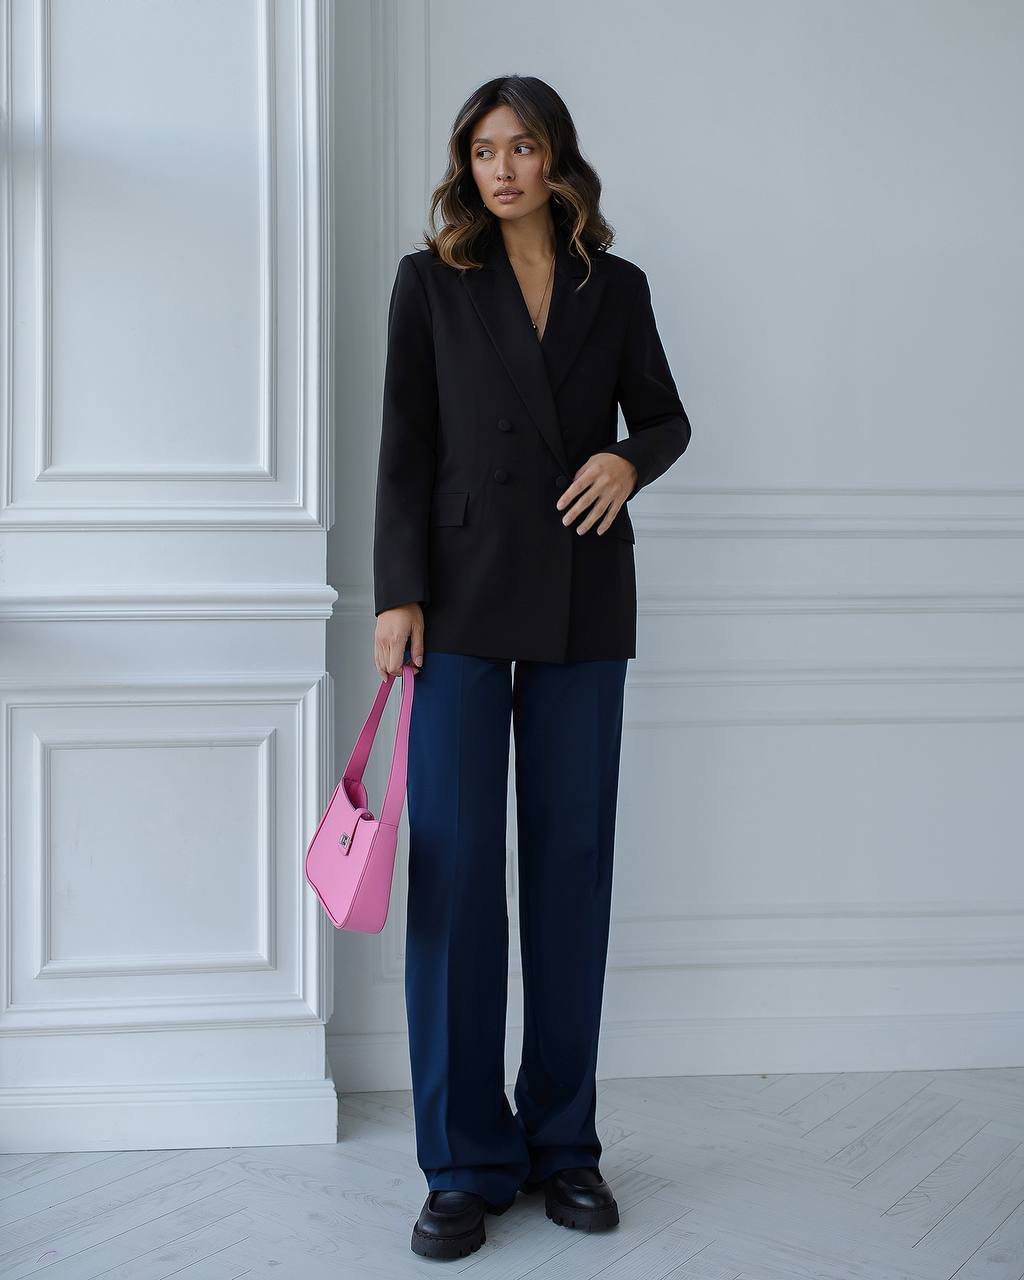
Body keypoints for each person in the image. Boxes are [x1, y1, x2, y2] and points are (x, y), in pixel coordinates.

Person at [371, 74, 691, 1261]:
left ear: (558, 162)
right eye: (484, 148)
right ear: (467, 163)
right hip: (453, 601)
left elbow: (662, 417)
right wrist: (397, 594)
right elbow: (403, 442)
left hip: (583, 595)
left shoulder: (621, 288)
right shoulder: (431, 281)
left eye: (524, 147)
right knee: (455, 878)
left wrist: (625, 462)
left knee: (569, 870)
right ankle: (461, 1161)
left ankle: (564, 1144)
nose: (502, 167)